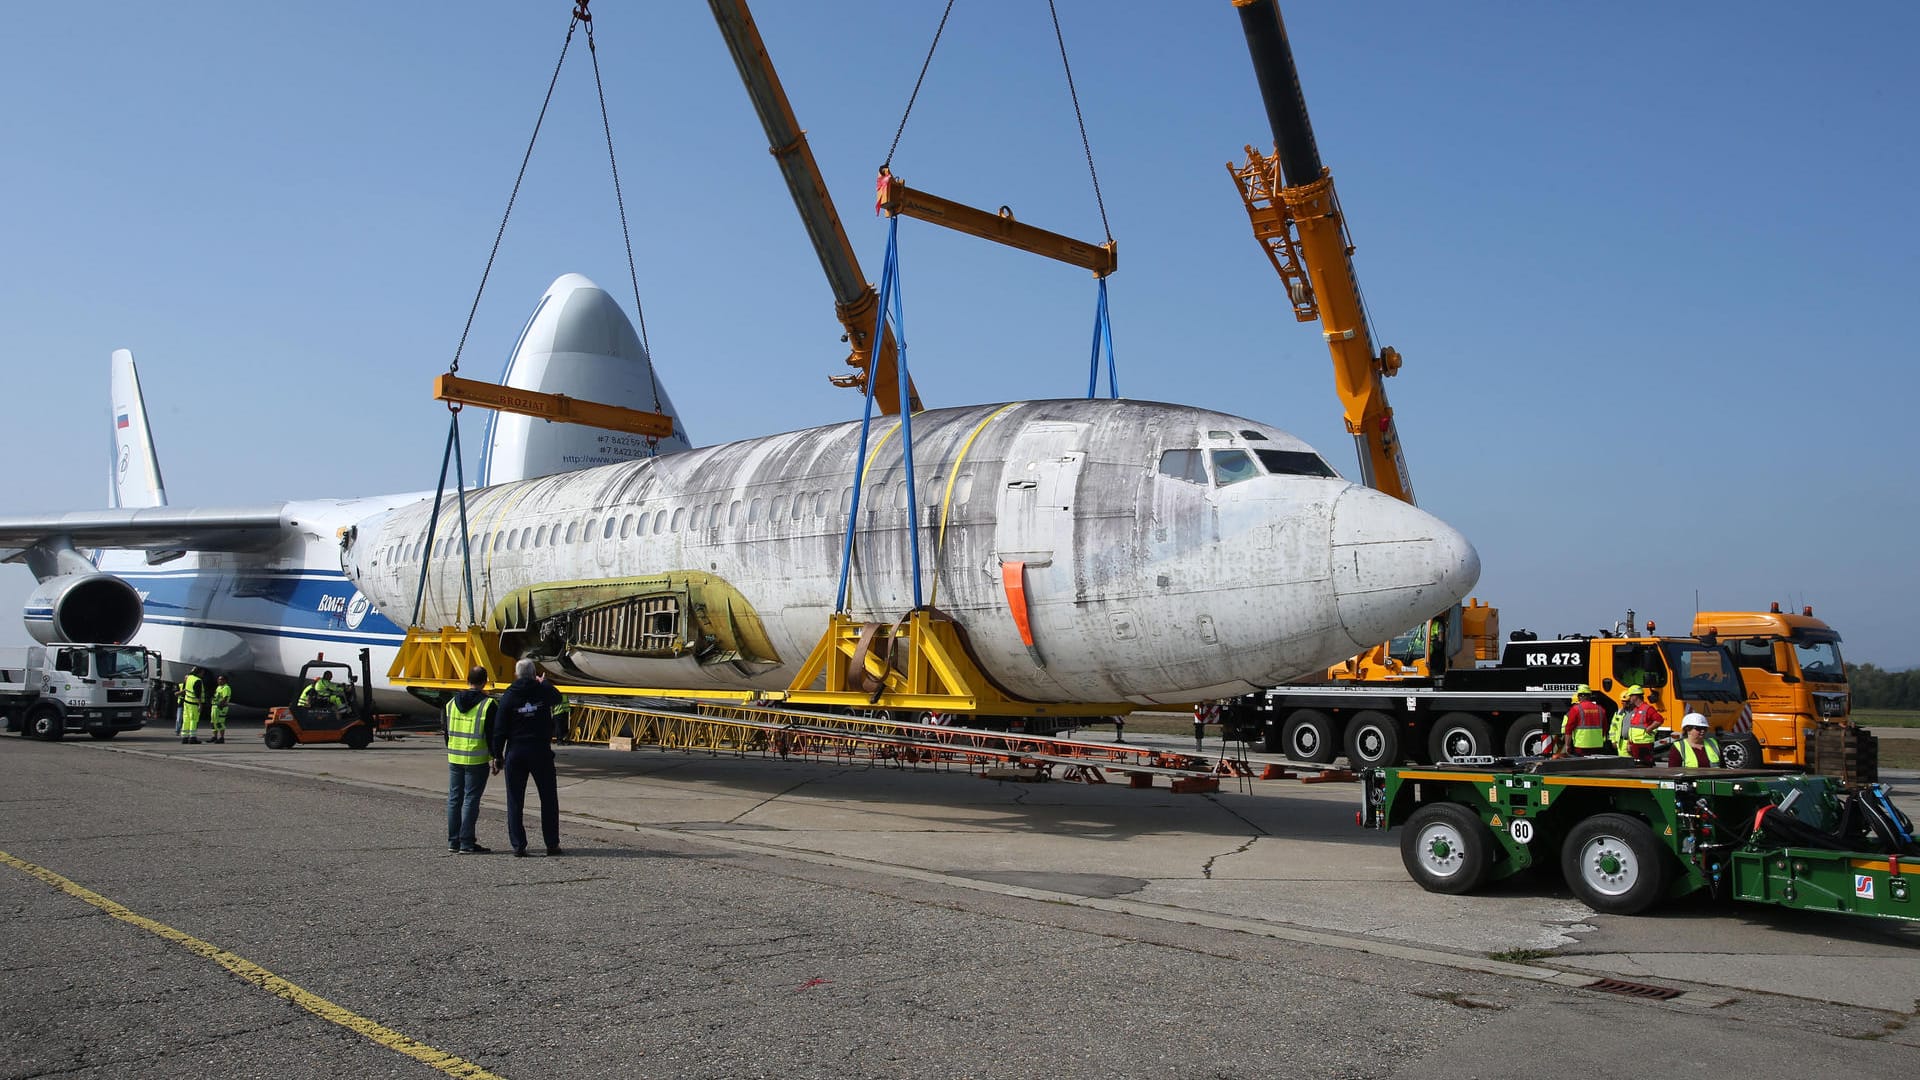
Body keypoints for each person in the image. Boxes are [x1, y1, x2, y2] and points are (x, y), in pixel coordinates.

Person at [492, 659, 566, 857]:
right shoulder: (543, 691)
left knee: (515, 800)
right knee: (548, 798)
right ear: (534, 674)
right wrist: (544, 683)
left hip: (515, 751)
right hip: (540, 751)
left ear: (516, 674)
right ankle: (551, 844)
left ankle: (518, 845)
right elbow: (558, 698)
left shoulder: (508, 695)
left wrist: (497, 755)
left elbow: (499, 729)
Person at [444, 666, 498, 854]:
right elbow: (492, 735)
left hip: (454, 756)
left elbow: (446, 732)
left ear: (467, 680)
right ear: (485, 682)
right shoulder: (488, 704)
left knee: (454, 799)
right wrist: (496, 757)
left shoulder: (451, 703)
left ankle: (453, 841)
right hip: (476, 759)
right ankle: (466, 842)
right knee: (470, 800)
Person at [1621, 685, 1666, 765]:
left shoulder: (1647, 708)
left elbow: (1659, 720)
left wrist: (1649, 728)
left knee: (1645, 765)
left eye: (1630, 696)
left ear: (1636, 696)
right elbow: (1632, 728)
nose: (1629, 698)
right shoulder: (1635, 710)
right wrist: (1629, 743)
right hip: (1635, 744)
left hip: (1644, 745)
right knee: (1637, 765)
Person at [1561, 685, 1610, 757]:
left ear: (1579, 696)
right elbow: (1605, 727)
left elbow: (1568, 729)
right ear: (1590, 696)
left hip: (1581, 746)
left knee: (1582, 766)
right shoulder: (1600, 709)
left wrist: (1567, 745)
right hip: (1597, 745)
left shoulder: (1576, 709)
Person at [179, 666, 208, 744]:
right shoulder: (198, 680)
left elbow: (184, 689)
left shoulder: (188, 677)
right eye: (202, 673)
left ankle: (184, 738)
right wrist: (200, 705)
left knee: (186, 720)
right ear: (199, 672)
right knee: (193, 720)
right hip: (193, 703)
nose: (203, 674)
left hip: (186, 702)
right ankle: (192, 738)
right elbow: (197, 694)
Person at [208, 674, 232, 744]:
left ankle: (222, 738)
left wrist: (220, 704)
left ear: (225, 680)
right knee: (213, 722)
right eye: (218, 679)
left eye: (221, 679)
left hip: (221, 707)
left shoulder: (226, 688)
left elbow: (225, 697)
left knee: (219, 722)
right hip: (214, 706)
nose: (219, 681)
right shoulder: (218, 687)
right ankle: (214, 737)